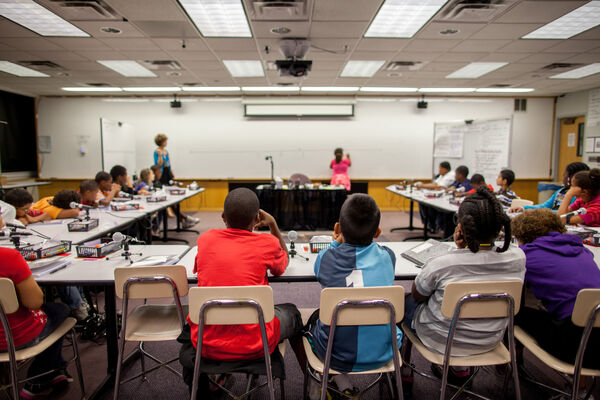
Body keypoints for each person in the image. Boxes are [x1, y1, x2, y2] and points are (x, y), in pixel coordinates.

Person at [179, 188, 303, 396]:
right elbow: (283, 263)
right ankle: (314, 383)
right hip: (257, 342)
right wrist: (272, 224)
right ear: (256, 219)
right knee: (293, 314)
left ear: (222, 217)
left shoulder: (206, 240)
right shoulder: (267, 243)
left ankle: (209, 380)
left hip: (207, 342)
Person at [403, 187, 525, 383]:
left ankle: (405, 375)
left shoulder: (444, 262)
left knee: (404, 302)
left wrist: (459, 250)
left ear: (461, 228)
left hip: (442, 341)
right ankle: (460, 370)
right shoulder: (518, 257)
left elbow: (419, 294)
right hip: (490, 340)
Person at [306, 194, 401, 396]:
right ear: (377, 232)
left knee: (310, 320)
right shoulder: (388, 257)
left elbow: (318, 270)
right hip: (384, 352)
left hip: (335, 354)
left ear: (338, 229)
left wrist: (335, 243)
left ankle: (330, 382)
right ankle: (403, 378)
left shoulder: (326, 258)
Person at [511, 209, 600, 369]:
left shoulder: (526, 256)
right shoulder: (583, 251)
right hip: (596, 344)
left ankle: (512, 365)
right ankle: (581, 388)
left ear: (522, 235)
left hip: (575, 349)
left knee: (512, 311)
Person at [0, 214, 74, 398]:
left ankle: (53, 371)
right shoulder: (9, 257)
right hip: (14, 338)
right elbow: (34, 302)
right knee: (61, 310)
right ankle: (39, 378)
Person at [511, 162, 589, 213]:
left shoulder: (580, 196)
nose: (563, 176)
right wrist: (524, 208)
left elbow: (567, 212)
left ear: (572, 177)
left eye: (565, 174)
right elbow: (545, 206)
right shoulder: (561, 191)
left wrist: (544, 212)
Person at [416, 161, 455, 233]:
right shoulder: (443, 174)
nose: (439, 171)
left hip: (445, 198)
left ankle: (434, 226)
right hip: (439, 196)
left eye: (440, 169)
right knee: (422, 203)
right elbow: (435, 184)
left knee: (429, 205)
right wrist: (423, 185)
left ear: (445, 169)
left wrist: (421, 186)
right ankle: (429, 225)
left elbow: (438, 186)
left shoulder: (450, 176)